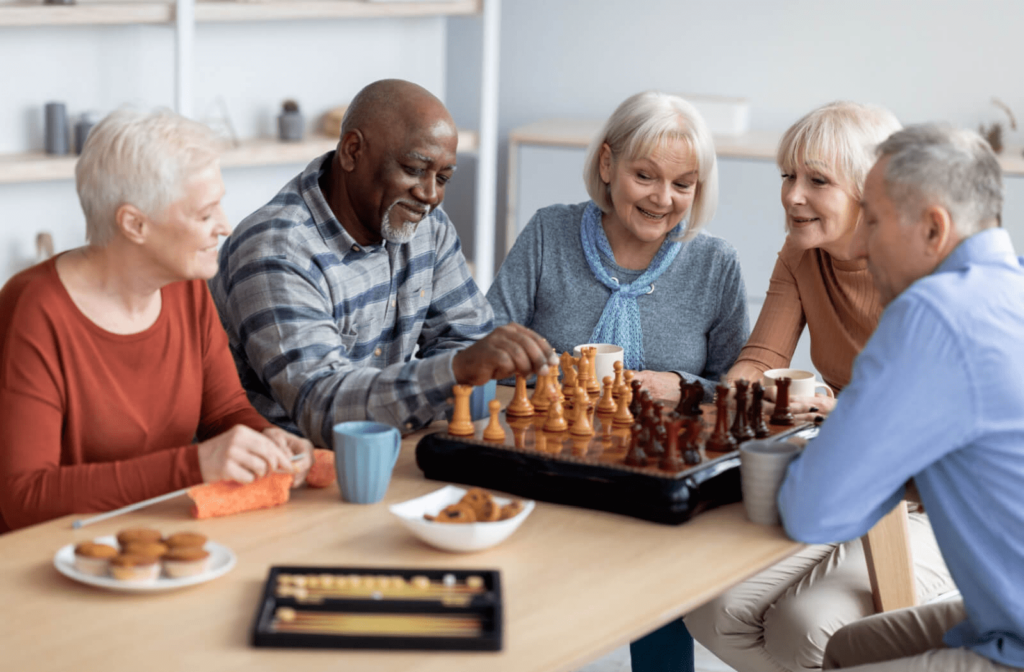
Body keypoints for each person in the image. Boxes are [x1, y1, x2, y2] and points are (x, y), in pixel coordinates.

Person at [685, 102, 954, 672]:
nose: (792, 196)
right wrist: (740, 394)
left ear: (870, 190)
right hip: (847, 477)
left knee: (809, 630)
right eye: (788, 176)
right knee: (711, 607)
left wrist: (833, 408)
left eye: (817, 181)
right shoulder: (801, 252)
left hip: (934, 498)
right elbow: (760, 358)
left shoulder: (924, 270)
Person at [0, 109, 313, 533]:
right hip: (54, 559)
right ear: (135, 224)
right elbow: (22, 497)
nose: (223, 226)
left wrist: (265, 439)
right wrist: (193, 465)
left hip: (158, 536)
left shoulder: (184, 285)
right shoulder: (35, 309)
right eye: (204, 214)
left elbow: (224, 412)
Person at [781, 124, 1024, 671]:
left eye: (872, 221)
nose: (861, 246)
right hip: (1006, 613)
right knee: (847, 647)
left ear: (933, 229)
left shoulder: (934, 311)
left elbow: (813, 512)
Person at [210, 79, 555, 448]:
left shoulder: (427, 227)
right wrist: (454, 372)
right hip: (289, 472)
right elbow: (323, 408)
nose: (430, 195)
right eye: (412, 169)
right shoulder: (276, 251)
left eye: (443, 178)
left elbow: (467, 339)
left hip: (389, 449)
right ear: (352, 151)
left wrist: (465, 367)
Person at [487, 90, 749, 403]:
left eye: (682, 184)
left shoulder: (716, 263)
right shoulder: (548, 232)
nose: (663, 199)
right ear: (607, 164)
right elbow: (484, 351)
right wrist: (581, 376)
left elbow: (735, 392)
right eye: (645, 176)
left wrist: (681, 386)